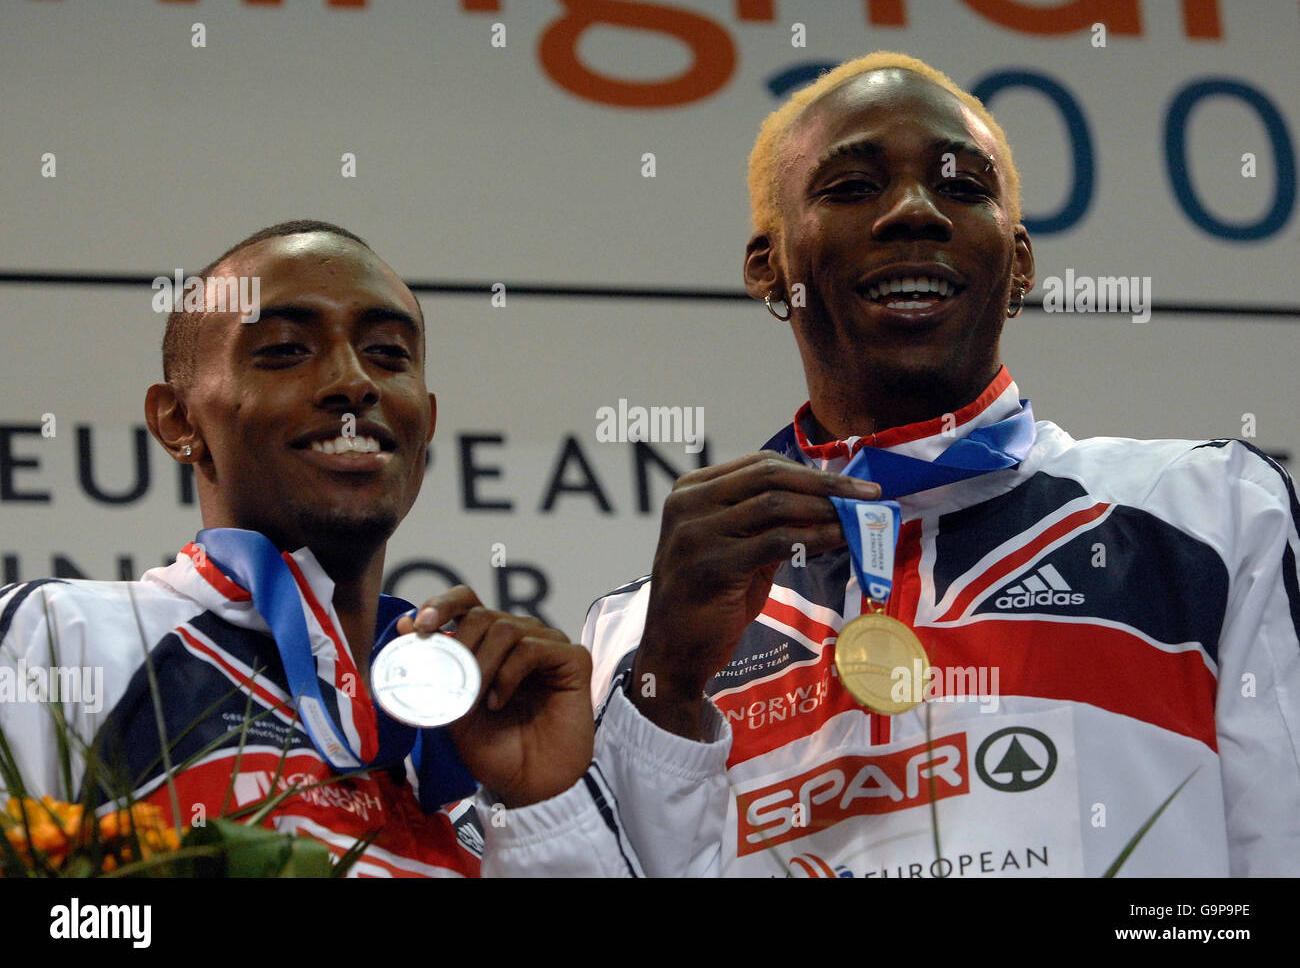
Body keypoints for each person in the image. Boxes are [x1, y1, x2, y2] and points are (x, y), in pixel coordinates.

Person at [582, 52, 1300, 877]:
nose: (914, 213)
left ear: (1019, 261)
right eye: (851, 187)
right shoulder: (640, 632)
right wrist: (668, 683)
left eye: (962, 188)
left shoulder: (1209, 515)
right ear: (768, 266)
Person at [0, 221, 730, 877]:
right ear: (177, 419)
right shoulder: (60, 636)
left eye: (387, 355)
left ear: (426, 419)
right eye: (285, 350)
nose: (353, 382)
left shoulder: (487, 714)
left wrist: (540, 804)